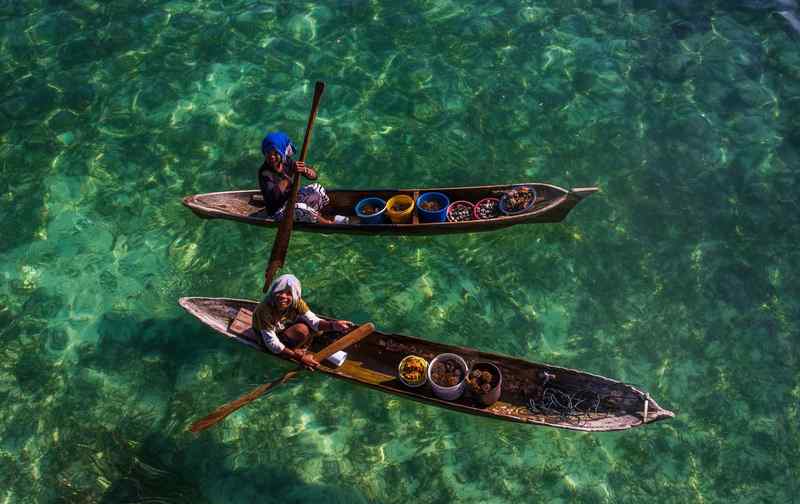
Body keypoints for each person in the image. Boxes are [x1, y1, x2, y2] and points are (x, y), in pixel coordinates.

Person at [252, 274, 353, 369]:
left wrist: (334, 325)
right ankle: (295, 350)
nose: (283, 296)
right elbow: (271, 343)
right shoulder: (264, 310)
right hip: (266, 339)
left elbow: (315, 322)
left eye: (288, 293)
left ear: (295, 295)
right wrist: (300, 358)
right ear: (274, 292)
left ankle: (301, 347)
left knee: (318, 330)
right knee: (302, 329)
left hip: (283, 327)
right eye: (280, 292)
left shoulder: (297, 303)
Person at [258, 131, 349, 225]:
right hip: (277, 211)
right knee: (300, 208)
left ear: (282, 152)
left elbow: (314, 176)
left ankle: (315, 215)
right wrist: (290, 174)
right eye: (268, 153)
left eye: (275, 153)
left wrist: (306, 170)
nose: (272, 157)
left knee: (318, 189)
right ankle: (328, 223)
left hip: (292, 199)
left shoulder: (286, 162)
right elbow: (274, 196)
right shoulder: (265, 173)